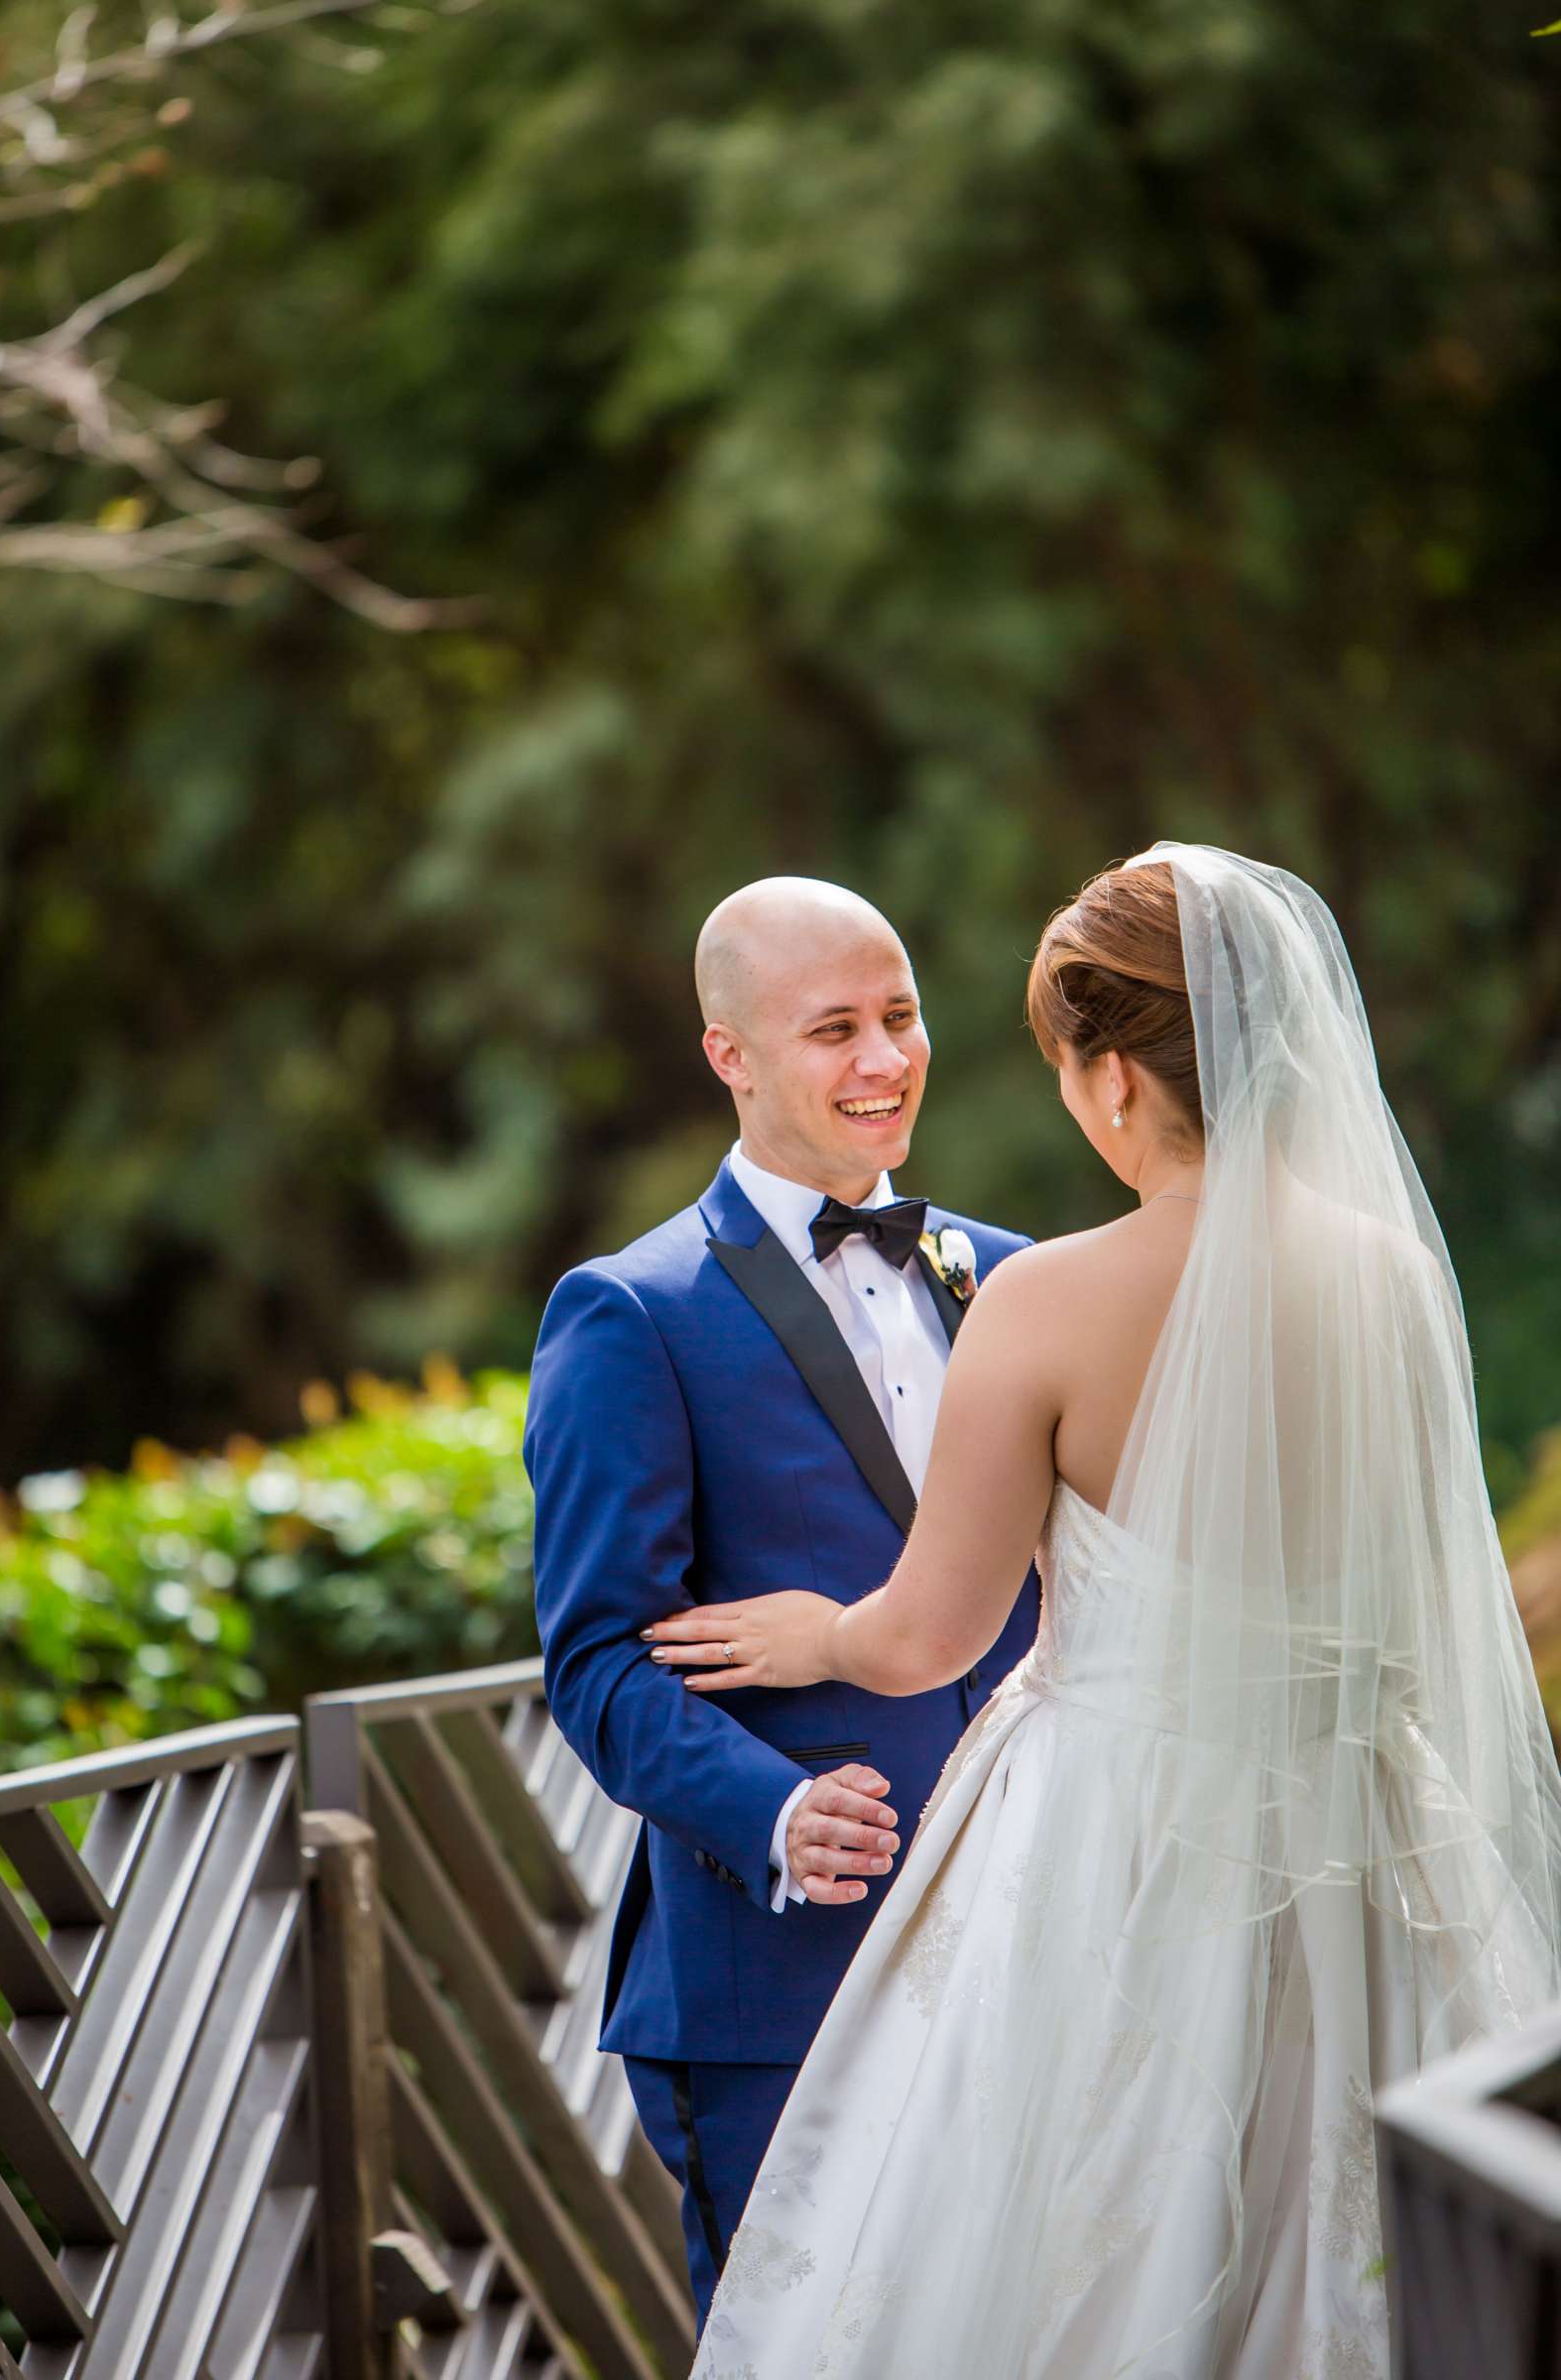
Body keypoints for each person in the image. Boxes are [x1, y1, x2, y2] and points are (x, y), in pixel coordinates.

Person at [650, 844, 1561, 2380]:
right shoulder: (1399, 1281)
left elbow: (928, 1633)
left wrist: (814, 1634)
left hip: (1123, 1847)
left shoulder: (1052, 1299)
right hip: (1371, 1825)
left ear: (1118, 1080)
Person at [522, 876, 1042, 2330]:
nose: (885, 1058)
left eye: (901, 1016)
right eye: (834, 1030)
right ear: (729, 1054)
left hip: (1033, 1946)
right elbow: (602, 1664)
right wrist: (770, 1811)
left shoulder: (1013, 1282)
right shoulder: (631, 1315)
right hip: (780, 1988)